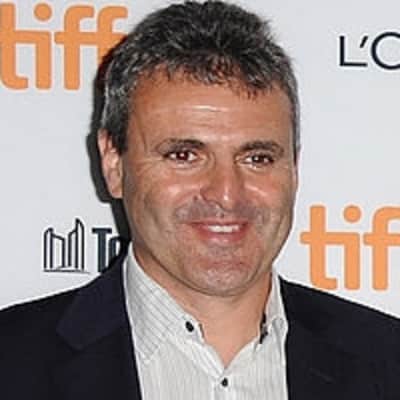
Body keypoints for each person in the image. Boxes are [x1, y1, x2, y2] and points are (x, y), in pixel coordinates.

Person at [1, 1, 400, 399]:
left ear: (294, 168)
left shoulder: (387, 360)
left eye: (257, 158)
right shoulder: (12, 362)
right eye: (184, 156)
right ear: (114, 163)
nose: (226, 193)